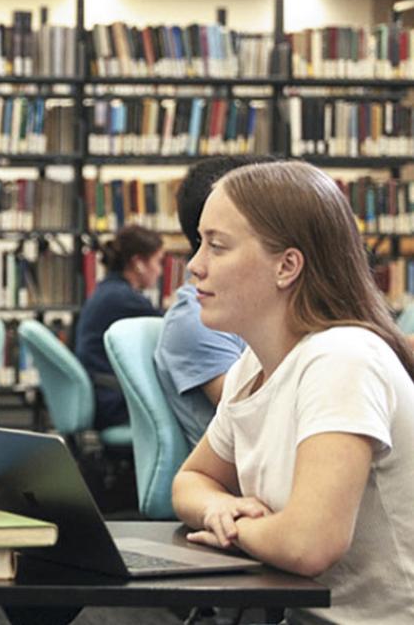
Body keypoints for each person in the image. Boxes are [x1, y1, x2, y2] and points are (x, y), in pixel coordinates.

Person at [173, 161, 414, 624]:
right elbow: (190, 482)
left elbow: (309, 544)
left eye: (217, 247)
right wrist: (220, 507)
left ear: (287, 266)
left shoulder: (342, 358)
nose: (194, 265)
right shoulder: (252, 364)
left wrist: (233, 528)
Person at [155, 157, 270, 449]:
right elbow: (254, 417)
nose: (193, 265)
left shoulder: (251, 306)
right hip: (247, 472)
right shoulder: (196, 320)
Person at [74, 224, 163, 430]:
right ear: (138, 263)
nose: (159, 271)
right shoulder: (122, 299)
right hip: (113, 401)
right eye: (158, 262)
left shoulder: (109, 291)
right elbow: (173, 329)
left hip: (103, 395)